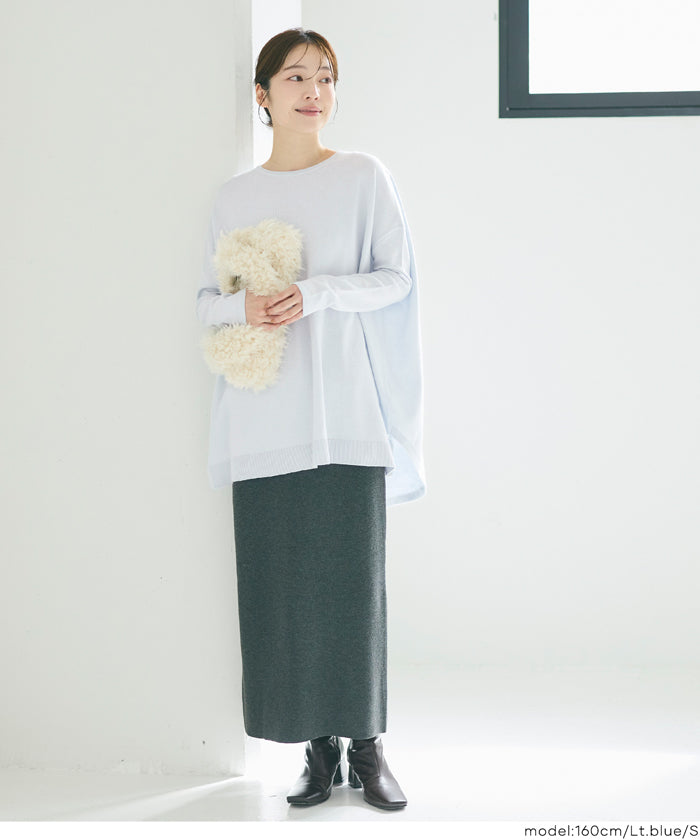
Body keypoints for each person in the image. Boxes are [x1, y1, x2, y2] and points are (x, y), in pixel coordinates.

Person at [195, 27, 425, 811]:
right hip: (264, 422)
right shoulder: (233, 199)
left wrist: (318, 292)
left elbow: (397, 278)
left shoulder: (363, 177)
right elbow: (205, 302)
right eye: (295, 77)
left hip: (348, 415)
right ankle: (316, 751)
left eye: (325, 76)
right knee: (281, 591)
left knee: (354, 591)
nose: (314, 90)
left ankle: (367, 746)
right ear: (263, 95)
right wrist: (246, 307)